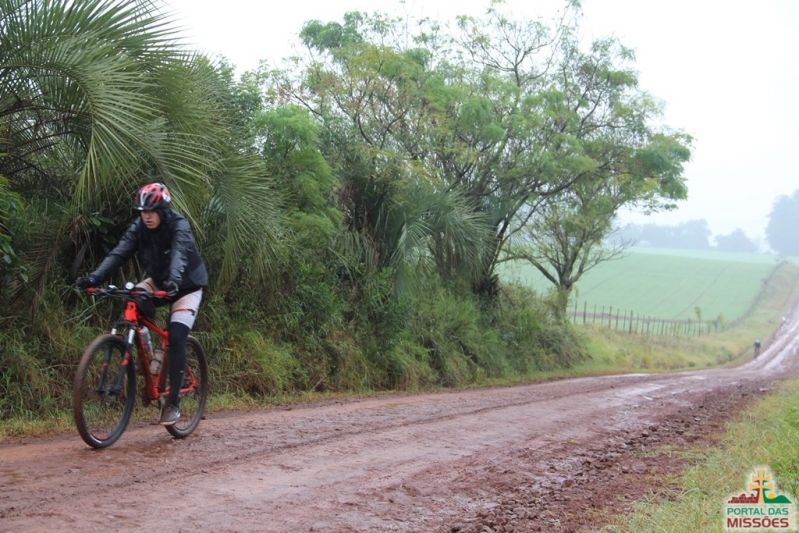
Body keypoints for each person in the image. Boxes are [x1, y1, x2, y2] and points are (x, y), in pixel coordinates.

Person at [76, 182, 208, 426]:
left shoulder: (178, 225)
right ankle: (149, 358)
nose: (147, 216)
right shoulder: (139, 227)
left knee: (177, 337)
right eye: (143, 212)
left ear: (163, 211)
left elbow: (179, 254)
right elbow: (119, 253)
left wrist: (174, 281)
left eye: (152, 212)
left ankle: (173, 405)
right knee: (133, 300)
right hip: (158, 281)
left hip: (187, 286)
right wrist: (94, 278)